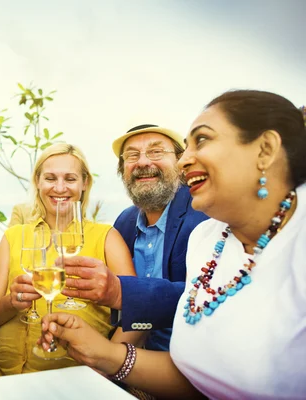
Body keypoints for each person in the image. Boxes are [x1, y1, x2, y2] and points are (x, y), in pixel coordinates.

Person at [39, 90, 306, 398]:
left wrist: (119, 292)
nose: (186, 161)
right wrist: (103, 354)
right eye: (131, 156)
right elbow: (198, 378)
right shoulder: (205, 240)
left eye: (202, 140)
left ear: (266, 149)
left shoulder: (287, 239)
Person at [0, 143, 137, 376]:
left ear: (85, 183)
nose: (60, 187)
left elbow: (136, 313)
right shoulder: (14, 236)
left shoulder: (106, 237)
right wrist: (11, 302)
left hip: (76, 379)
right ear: (38, 182)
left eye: (70, 179)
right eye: (50, 178)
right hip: (0, 376)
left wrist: (107, 364)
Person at [109, 124, 208, 350]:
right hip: (134, 361)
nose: (143, 162)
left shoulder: (204, 216)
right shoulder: (123, 222)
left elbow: (205, 296)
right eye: (132, 155)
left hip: (190, 362)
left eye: (156, 152)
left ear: (180, 163)